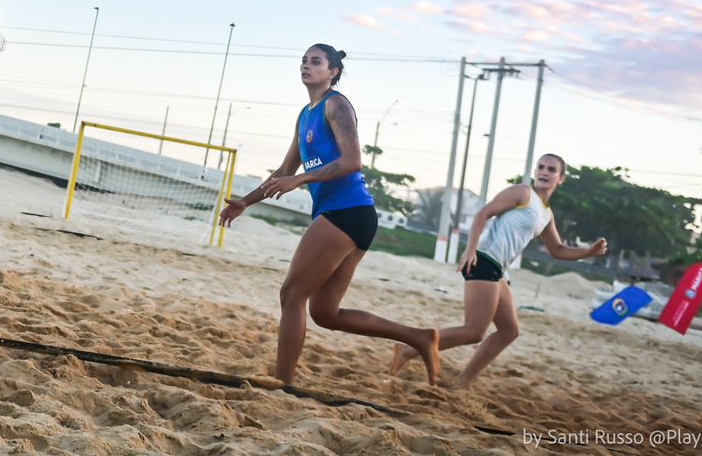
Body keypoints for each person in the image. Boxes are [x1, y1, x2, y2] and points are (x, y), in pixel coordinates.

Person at [218, 44, 440, 386]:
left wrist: (303, 178)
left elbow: (353, 161)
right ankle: (419, 337)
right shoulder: (306, 113)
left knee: (292, 296)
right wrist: (246, 202)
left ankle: (283, 383)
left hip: (347, 211)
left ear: (332, 71)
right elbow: (283, 170)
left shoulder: (336, 105)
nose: (306, 66)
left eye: (315, 61)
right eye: (304, 61)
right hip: (351, 216)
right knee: (325, 313)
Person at [389, 153, 609, 387]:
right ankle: (410, 348)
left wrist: (588, 253)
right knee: (474, 331)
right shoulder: (523, 193)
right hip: (483, 258)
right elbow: (483, 213)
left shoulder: (545, 213)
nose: (544, 172)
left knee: (509, 331)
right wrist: (470, 249)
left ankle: (462, 382)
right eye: (541, 167)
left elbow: (557, 249)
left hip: (498, 268)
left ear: (561, 178)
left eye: (551, 170)